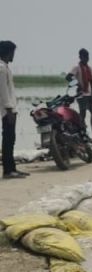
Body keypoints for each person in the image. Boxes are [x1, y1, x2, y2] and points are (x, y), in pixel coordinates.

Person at [0, 41, 26, 179]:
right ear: (7, 52)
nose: (13, 56)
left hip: (10, 109)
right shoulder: (1, 68)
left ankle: (12, 168)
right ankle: (8, 170)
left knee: (11, 139)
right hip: (7, 110)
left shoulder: (5, 67)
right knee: (8, 140)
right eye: (12, 53)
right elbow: (3, 91)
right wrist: (9, 109)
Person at [67, 49, 92, 141]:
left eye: (87, 57)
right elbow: (68, 77)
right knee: (82, 115)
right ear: (80, 57)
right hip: (81, 94)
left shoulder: (89, 68)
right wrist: (77, 83)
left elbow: (91, 81)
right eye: (84, 56)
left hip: (89, 94)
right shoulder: (76, 67)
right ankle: (83, 134)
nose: (86, 59)